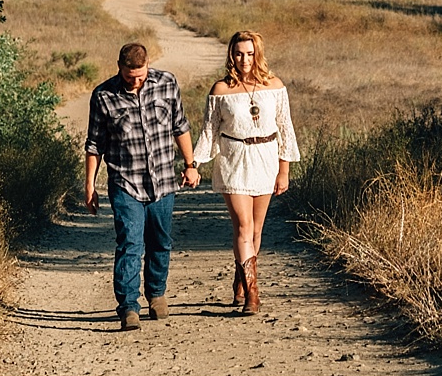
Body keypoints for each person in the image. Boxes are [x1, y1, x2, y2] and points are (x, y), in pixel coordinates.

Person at [85, 42, 200, 331]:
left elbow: (180, 125)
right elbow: (94, 144)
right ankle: (128, 307)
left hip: (162, 181)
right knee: (130, 244)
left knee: (160, 241)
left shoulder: (166, 83)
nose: (135, 81)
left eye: (140, 75)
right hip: (126, 182)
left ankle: (156, 294)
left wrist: (190, 164)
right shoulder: (103, 96)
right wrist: (89, 185)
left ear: (148, 65)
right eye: (129, 76)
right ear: (119, 67)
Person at [191, 30, 301, 315]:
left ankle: (241, 278)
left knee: (256, 230)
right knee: (243, 226)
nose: (244, 59)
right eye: (239, 53)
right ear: (231, 55)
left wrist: (284, 171)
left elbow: (285, 128)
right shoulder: (221, 90)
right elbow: (209, 131)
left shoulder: (274, 86)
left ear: (258, 54)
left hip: (266, 157)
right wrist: (194, 164)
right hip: (233, 158)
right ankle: (253, 292)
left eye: (250, 53)